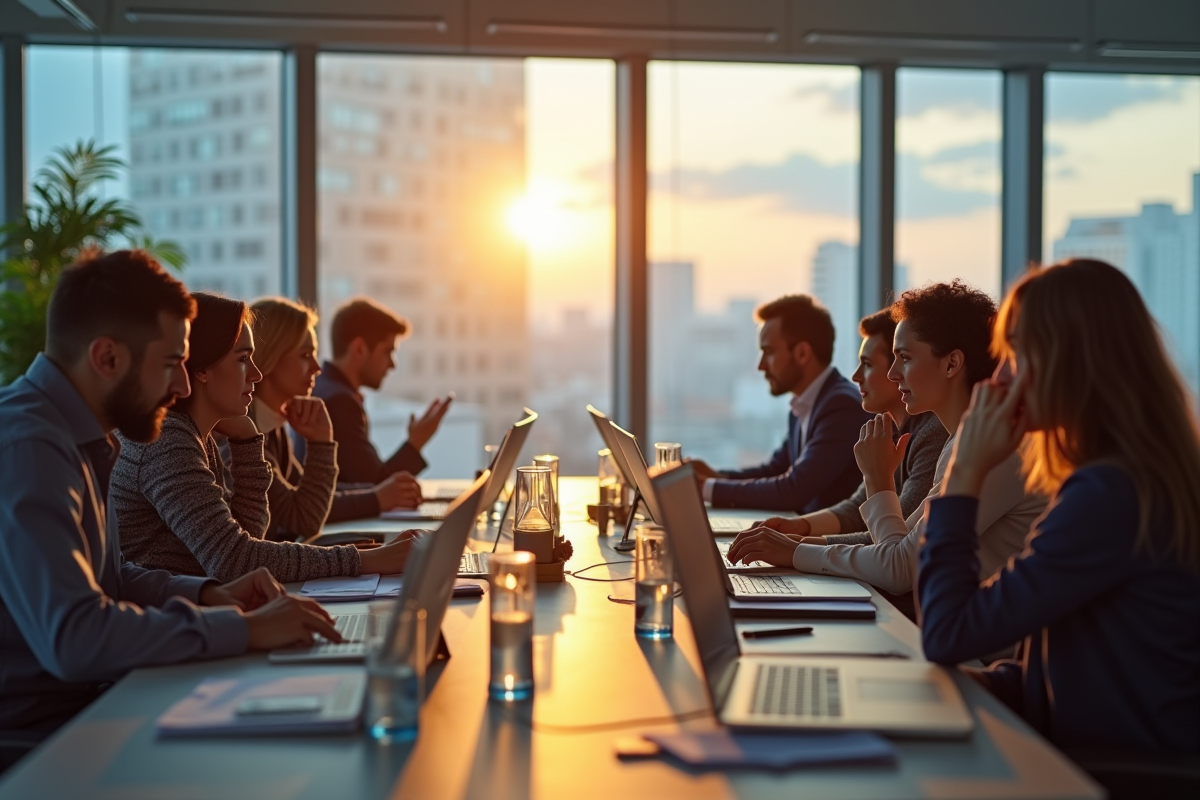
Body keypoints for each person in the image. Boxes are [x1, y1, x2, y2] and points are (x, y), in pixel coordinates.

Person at [0, 250, 340, 742]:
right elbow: (74, 638)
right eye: (171, 364)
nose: (182, 384)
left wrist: (208, 595)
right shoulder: (30, 447)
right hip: (43, 733)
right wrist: (243, 631)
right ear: (107, 358)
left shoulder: (82, 437)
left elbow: (111, 577)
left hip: (95, 697)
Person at [920, 259, 1200, 753]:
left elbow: (947, 632)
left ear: (1069, 360)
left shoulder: (1109, 493)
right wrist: (992, 684)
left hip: (1117, 777)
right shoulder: (1125, 477)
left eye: (1015, 352)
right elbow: (1076, 664)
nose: (1001, 375)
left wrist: (964, 474)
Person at [728, 281, 1046, 598]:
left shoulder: (995, 448)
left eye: (904, 357)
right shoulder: (961, 440)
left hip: (977, 641)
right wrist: (796, 545)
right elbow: (898, 547)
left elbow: (899, 568)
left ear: (952, 364)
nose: (893, 374)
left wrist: (877, 481)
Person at [113, 293, 416, 583]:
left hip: (196, 610)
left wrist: (247, 442)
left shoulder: (195, 437)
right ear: (203, 368)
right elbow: (235, 560)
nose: (256, 374)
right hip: (175, 622)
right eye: (243, 359)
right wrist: (367, 560)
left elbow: (247, 538)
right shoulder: (167, 442)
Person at [743, 307, 947, 544]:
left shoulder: (932, 434)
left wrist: (796, 546)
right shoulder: (888, 428)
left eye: (868, 364)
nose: (855, 376)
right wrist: (800, 526)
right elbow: (857, 508)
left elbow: (892, 541)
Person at [243, 297, 422, 542]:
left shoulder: (273, 427)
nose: (317, 367)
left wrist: (378, 494)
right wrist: (321, 443)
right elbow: (303, 516)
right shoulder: (243, 435)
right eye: (305, 355)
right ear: (270, 357)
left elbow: (303, 494)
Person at [688, 294, 870, 512]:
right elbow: (777, 470)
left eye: (769, 352)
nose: (761, 366)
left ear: (802, 353)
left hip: (828, 542)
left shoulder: (842, 406)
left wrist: (706, 488)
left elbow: (793, 490)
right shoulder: (805, 403)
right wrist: (716, 476)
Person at [313, 297, 452, 485]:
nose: (393, 364)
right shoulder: (339, 401)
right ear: (360, 349)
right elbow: (376, 486)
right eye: (388, 351)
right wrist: (415, 442)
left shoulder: (325, 388)